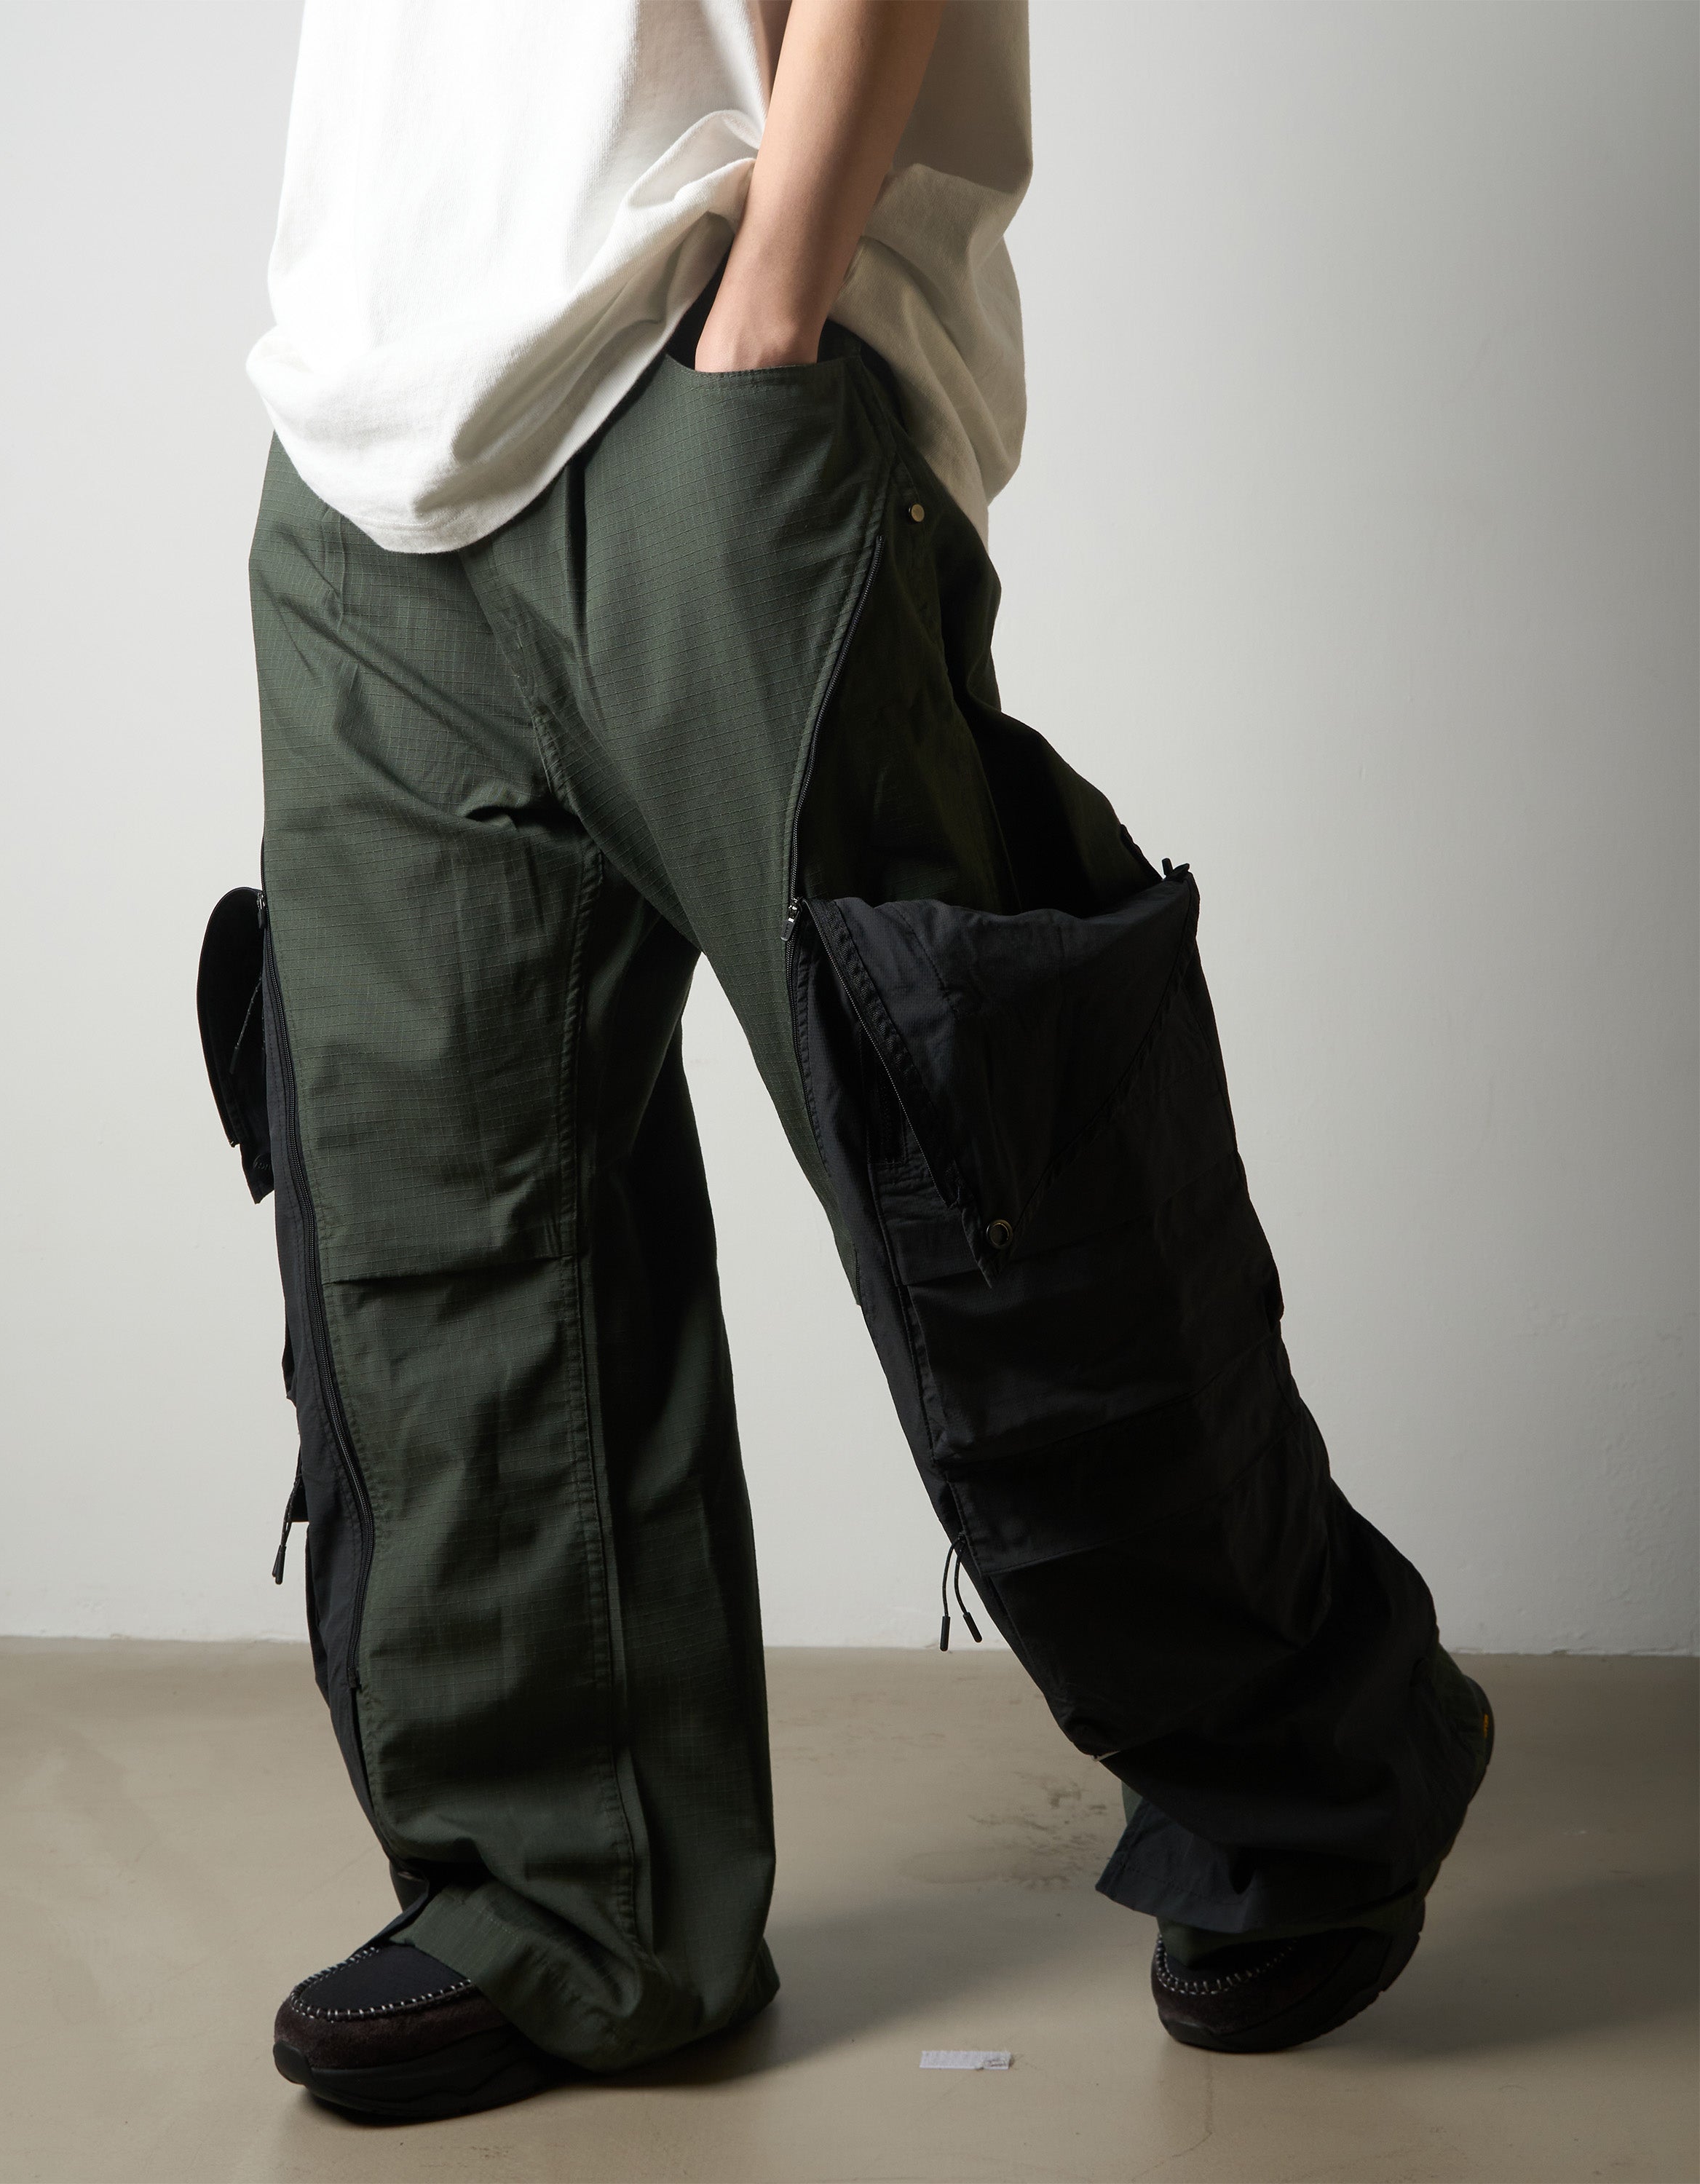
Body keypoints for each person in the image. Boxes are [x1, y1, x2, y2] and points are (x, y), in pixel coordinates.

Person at [197, 0, 1493, 2126]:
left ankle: (1318, 1772)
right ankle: (573, 1908)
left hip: (705, 357)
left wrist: (775, 301)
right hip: (364, 435)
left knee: (982, 1170)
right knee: (440, 1227)